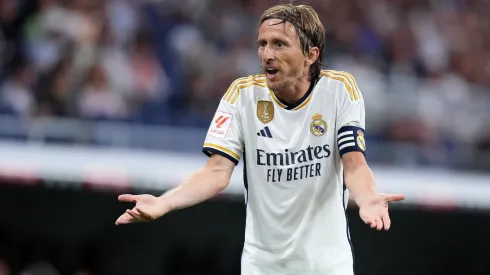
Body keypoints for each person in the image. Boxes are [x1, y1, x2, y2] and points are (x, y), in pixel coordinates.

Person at [115, 3, 405, 274]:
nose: (267, 54)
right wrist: (164, 203)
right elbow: (216, 172)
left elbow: (354, 165)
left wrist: (366, 199)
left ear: (311, 55)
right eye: (262, 44)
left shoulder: (339, 90)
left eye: (279, 44)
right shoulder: (242, 95)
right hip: (262, 267)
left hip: (327, 266)